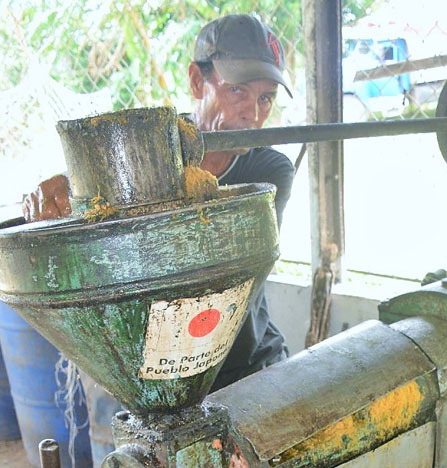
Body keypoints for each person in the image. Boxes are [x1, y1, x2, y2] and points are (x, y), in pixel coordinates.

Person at [22, 13, 295, 391]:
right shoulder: (145, 153)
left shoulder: (270, 170)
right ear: (198, 81)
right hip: (162, 376)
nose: (253, 112)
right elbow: (101, 198)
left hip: (249, 366)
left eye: (266, 98)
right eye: (238, 91)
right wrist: (71, 194)